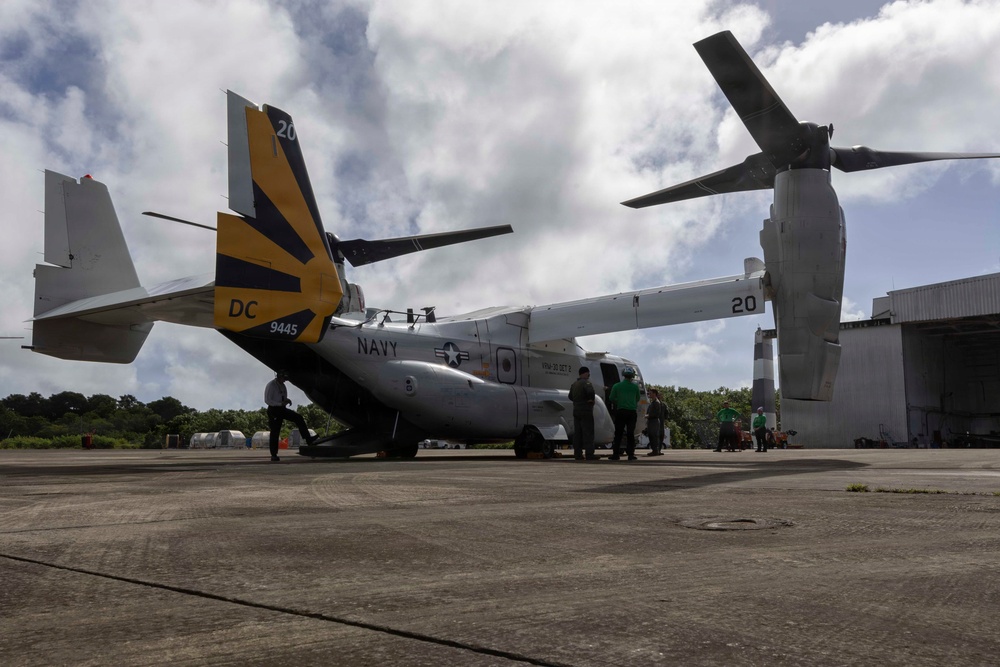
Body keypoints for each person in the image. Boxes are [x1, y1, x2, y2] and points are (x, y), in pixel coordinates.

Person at [264, 370, 316, 462]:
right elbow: (268, 400)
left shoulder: (283, 386)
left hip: (282, 408)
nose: (284, 381)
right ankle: (274, 454)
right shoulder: (271, 385)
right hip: (274, 410)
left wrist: (287, 400)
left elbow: (282, 396)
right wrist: (280, 403)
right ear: (279, 376)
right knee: (275, 432)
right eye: (284, 378)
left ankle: (308, 439)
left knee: (298, 417)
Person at [608, 367, 641, 461]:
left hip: (621, 411)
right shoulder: (635, 387)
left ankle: (616, 454)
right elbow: (637, 398)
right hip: (631, 412)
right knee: (630, 434)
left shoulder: (617, 386)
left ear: (624, 375)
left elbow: (611, 398)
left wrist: (619, 401)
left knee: (618, 433)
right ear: (632, 376)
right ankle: (631, 454)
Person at [568, 366, 598, 460]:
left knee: (578, 433)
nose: (589, 375)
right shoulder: (587, 383)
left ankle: (578, 454)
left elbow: (570, 396)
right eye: (588, 373)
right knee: (588, 433)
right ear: (585, 373)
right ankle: (589, 454)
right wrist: (590, 401)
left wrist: (577, 402)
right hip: (586, 410)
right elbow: (590, 392)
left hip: (576, 410)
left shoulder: (574, 384)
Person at [645, 389, 666, 456]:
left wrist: (649, 415)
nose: (649, 394)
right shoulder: (653, 402)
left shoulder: (656, 403)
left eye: (650, 393)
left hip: (654, 421)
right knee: (651, 436)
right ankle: (655, 450)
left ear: (654, 394)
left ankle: (655, 451)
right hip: (651, 421)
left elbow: (657, 413)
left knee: (654, 436)